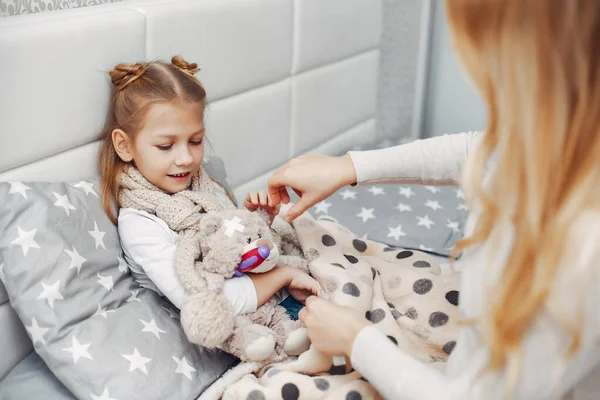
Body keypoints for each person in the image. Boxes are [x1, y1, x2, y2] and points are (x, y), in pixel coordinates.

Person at [268, 1, 600, 398]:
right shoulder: (557, 143)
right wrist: (350, 166)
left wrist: (357, 342)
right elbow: (484, 152)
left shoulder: (579, 247)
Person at [98, 56, 320, 330]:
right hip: (240, 327)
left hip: (277, 304)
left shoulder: (204, 188)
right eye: (166, 146)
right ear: (124, 145)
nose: (186, 159)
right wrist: (284, 277)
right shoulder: (140, 225)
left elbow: (234, 256)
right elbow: (206, 301)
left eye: (195, 141)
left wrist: (256, 223)